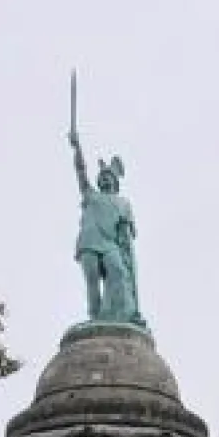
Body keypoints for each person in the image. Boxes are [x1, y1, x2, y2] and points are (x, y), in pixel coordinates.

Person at [68, 131, 143, 324]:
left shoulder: (123, 203)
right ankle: (95, 316)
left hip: (110, 244)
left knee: (118, 271)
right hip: (89, 242)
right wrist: (76, 147)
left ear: (115, 182)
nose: (104, 179)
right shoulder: (90, 195)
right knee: (92, 282)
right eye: (102, 177)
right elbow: (80, 171)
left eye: (108, 177)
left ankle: (117, 313)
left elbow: (126, 233)